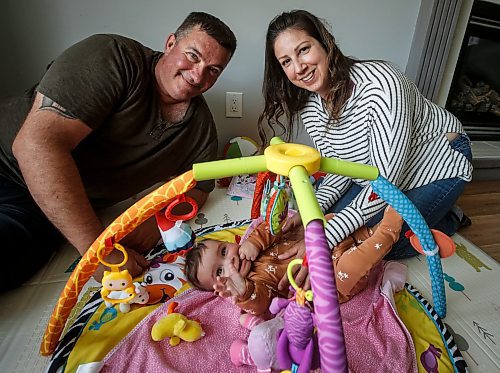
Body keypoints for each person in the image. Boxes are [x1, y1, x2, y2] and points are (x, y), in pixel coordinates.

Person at [0, 12, 237, 292]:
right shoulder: (112, 58)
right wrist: (98, 253)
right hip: (7, 168)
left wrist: (153, 222)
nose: (199, 75)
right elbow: (35, 145)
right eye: (193, 56)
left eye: (213, 70)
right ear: (170, 43)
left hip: (49, 211)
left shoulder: (200, 129)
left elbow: (199, 187)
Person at [257, 10, 473, 291]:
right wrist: (312, 213)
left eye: (304, 50)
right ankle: (432, 212)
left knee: (372, 244)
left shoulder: (382, 84)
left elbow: (385, 181)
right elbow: (337, 169)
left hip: (439, 162)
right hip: (380, 174)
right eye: (287, 61)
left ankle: (448, 217)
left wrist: (324, 240)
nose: (298, 68)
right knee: (332, 220)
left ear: (325, 43)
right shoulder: (310, 107)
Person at [185, 207, 403, 315]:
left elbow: (272, 226)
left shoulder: (251, 244)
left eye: (224, 251)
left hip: (328, 245)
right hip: (328, 280)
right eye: (220, 272)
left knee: (326, 220)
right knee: (350, 267)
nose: (230, 261)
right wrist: (242, 290)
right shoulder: (256, 282)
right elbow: (260, 304)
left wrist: (255, 242)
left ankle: (368, 233)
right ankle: (387, 232)